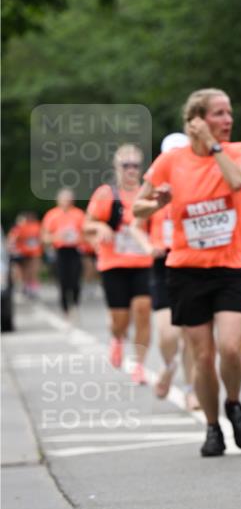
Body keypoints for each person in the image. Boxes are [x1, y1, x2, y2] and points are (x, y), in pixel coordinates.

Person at [133, 88, 241, 458]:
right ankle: (212, 426)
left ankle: (233, 403)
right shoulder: (171, 161)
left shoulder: (236, 151)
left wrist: (214, 146)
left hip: (232, 266)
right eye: (219, 113)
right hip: (187, 270)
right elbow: (138, 208)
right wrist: (157, 203)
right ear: (197, 120)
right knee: (202, 356)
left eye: (229, 112)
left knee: (230, 348)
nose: (228, 120)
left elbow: (237, 182)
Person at [85, 144, 153, 384]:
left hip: (142, 262)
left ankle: (139, 365)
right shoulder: (106, 194)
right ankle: (117, 337)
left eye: (136, 165)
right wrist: (99, 226)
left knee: (143, 310)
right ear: (117, 168)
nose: (131, 170)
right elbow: (86, 225)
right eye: (126, 165)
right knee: (120, 319)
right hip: (113, 263)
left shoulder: (148, 193)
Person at [149, 133, 198, 409]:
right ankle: (169, 365)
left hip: (192, 263)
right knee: (168, 334)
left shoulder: (201, 186)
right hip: (163, 266)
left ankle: (191, 390)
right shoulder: (153, 190)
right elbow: (135, 224)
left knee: (191, 334)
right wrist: (148, 245)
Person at [41, 188, 85, 318]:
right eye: (64, 199)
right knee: (63, 280)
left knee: (75, 279)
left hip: (75, 250)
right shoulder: (52, 215)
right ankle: (65, 308)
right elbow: (45, 237)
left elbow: (86, 234)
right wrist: (57, 236)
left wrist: (79, 238)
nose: (66, 201)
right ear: (58, 200)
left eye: (69, 198)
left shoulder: (79, 214)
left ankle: (75, 304)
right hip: (60, 251)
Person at [8, 212, 42, 297]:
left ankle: (30, 288)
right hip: (22, 253)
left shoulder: (36, 226)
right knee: (22, 271)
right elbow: (12, 239)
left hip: (33, 252)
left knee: (32, 271)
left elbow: (40, 238)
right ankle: (24, 287)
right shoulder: (19, 228)